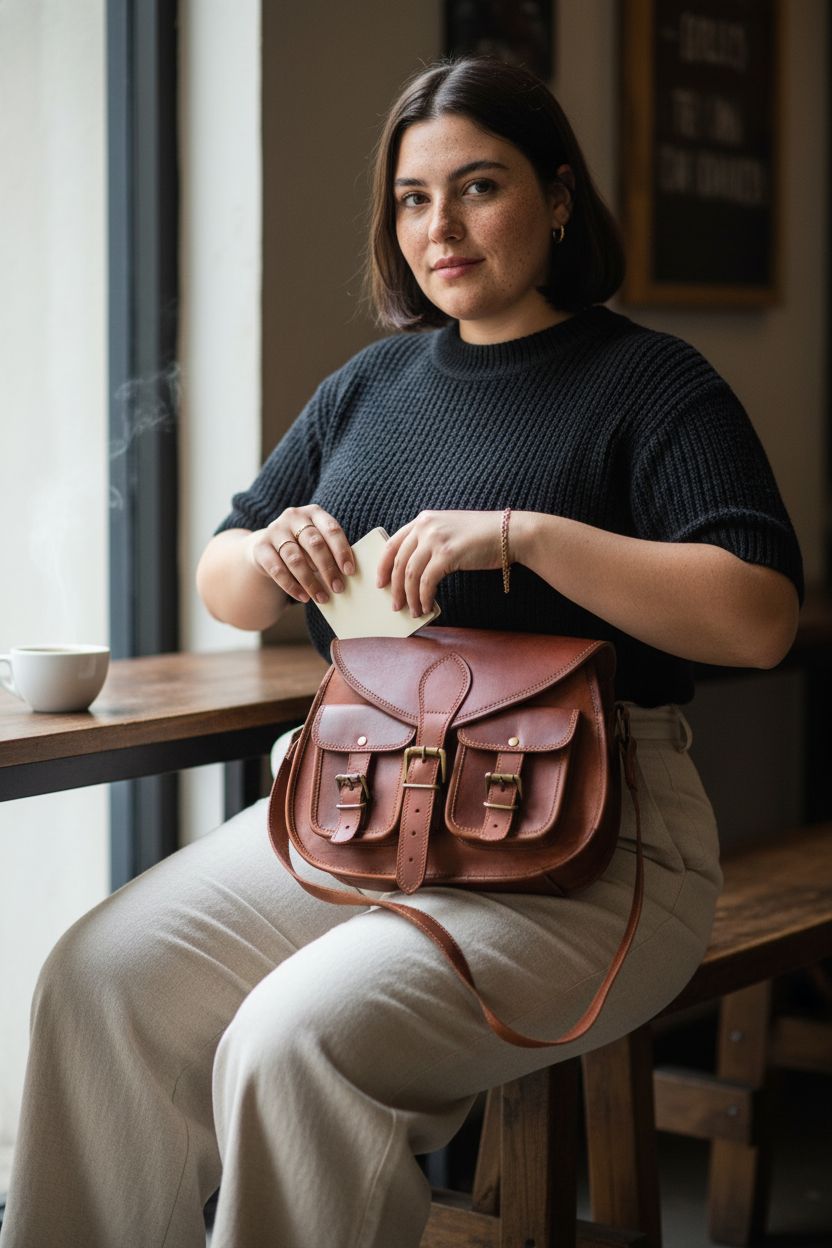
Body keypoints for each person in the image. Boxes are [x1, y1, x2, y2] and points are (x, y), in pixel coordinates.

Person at [1, 55, 802, 1248]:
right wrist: (274, 546)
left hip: (598, 850)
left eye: (479, 186)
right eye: (413, 199)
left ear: (558, 196)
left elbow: (758, 614)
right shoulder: (367, 387)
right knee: (97, 979)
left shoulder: (651, 383)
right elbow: (227, 581)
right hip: (355, 806)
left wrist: (526, 536)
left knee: (293, 1039)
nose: (440, 228)